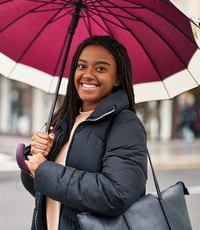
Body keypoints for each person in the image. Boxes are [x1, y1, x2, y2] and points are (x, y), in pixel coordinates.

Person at [21, 35, 148, 230]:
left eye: (100, 68)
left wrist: (45, 170)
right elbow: (43, 193)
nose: (88, 74)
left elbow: (116, 194)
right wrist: (35, 158)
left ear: (118, 78)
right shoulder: (63, 119)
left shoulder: (125, 125)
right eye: (81, 66)